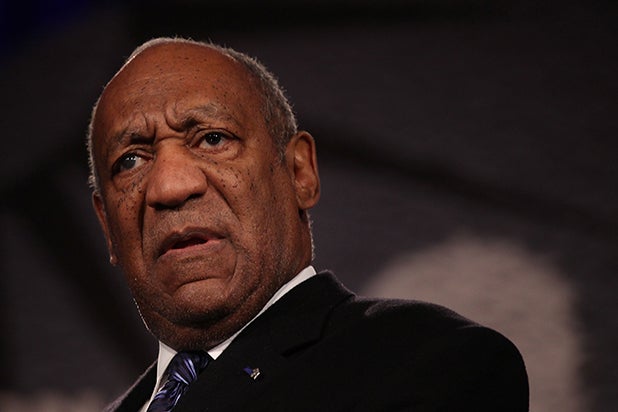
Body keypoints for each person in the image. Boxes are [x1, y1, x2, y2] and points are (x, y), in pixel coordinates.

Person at [87, 37, 529, 412]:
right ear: (107, 226)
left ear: (300, 173)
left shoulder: (428, 363)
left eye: (212, 138)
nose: (169, 186)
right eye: (130, 161)